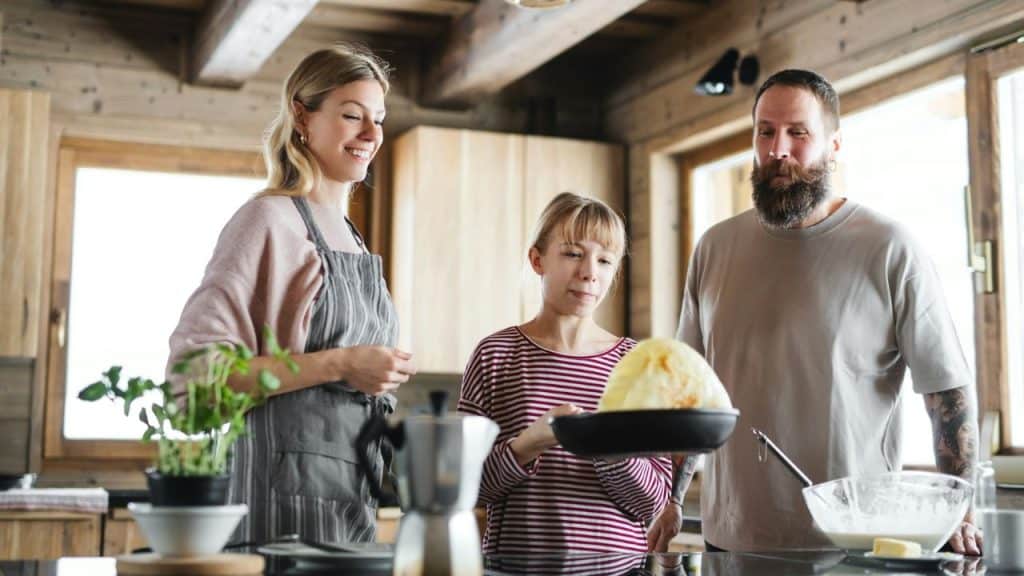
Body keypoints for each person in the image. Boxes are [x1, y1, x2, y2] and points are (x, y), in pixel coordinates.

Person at [646, 69, 981, 554]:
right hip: (732, 542)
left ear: (834, 145)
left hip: (852, 545)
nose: (778, 148)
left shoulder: (890, 248)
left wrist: (959, 514)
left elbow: (947, 393)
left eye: (798, 133)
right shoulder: (713, 249)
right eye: (765, 131)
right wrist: (673, 498)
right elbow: (690, 396)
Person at [167, 43, 416, 546]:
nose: (371, 135)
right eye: (352, 116)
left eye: (379, 119)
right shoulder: (268, 221)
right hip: (274, 509)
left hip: (350, 503)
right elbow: (193, 384)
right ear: (303, 115)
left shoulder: (352, 236)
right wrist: (342, 363)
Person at [457, 192, 672, 555]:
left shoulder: (636, 365)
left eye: (605, 260)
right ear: (537, 259)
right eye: (573, 253)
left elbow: (652, 503)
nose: (589, 272)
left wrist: (606, 447)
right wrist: (530, 443)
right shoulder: (496, 354)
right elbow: (465, 488)